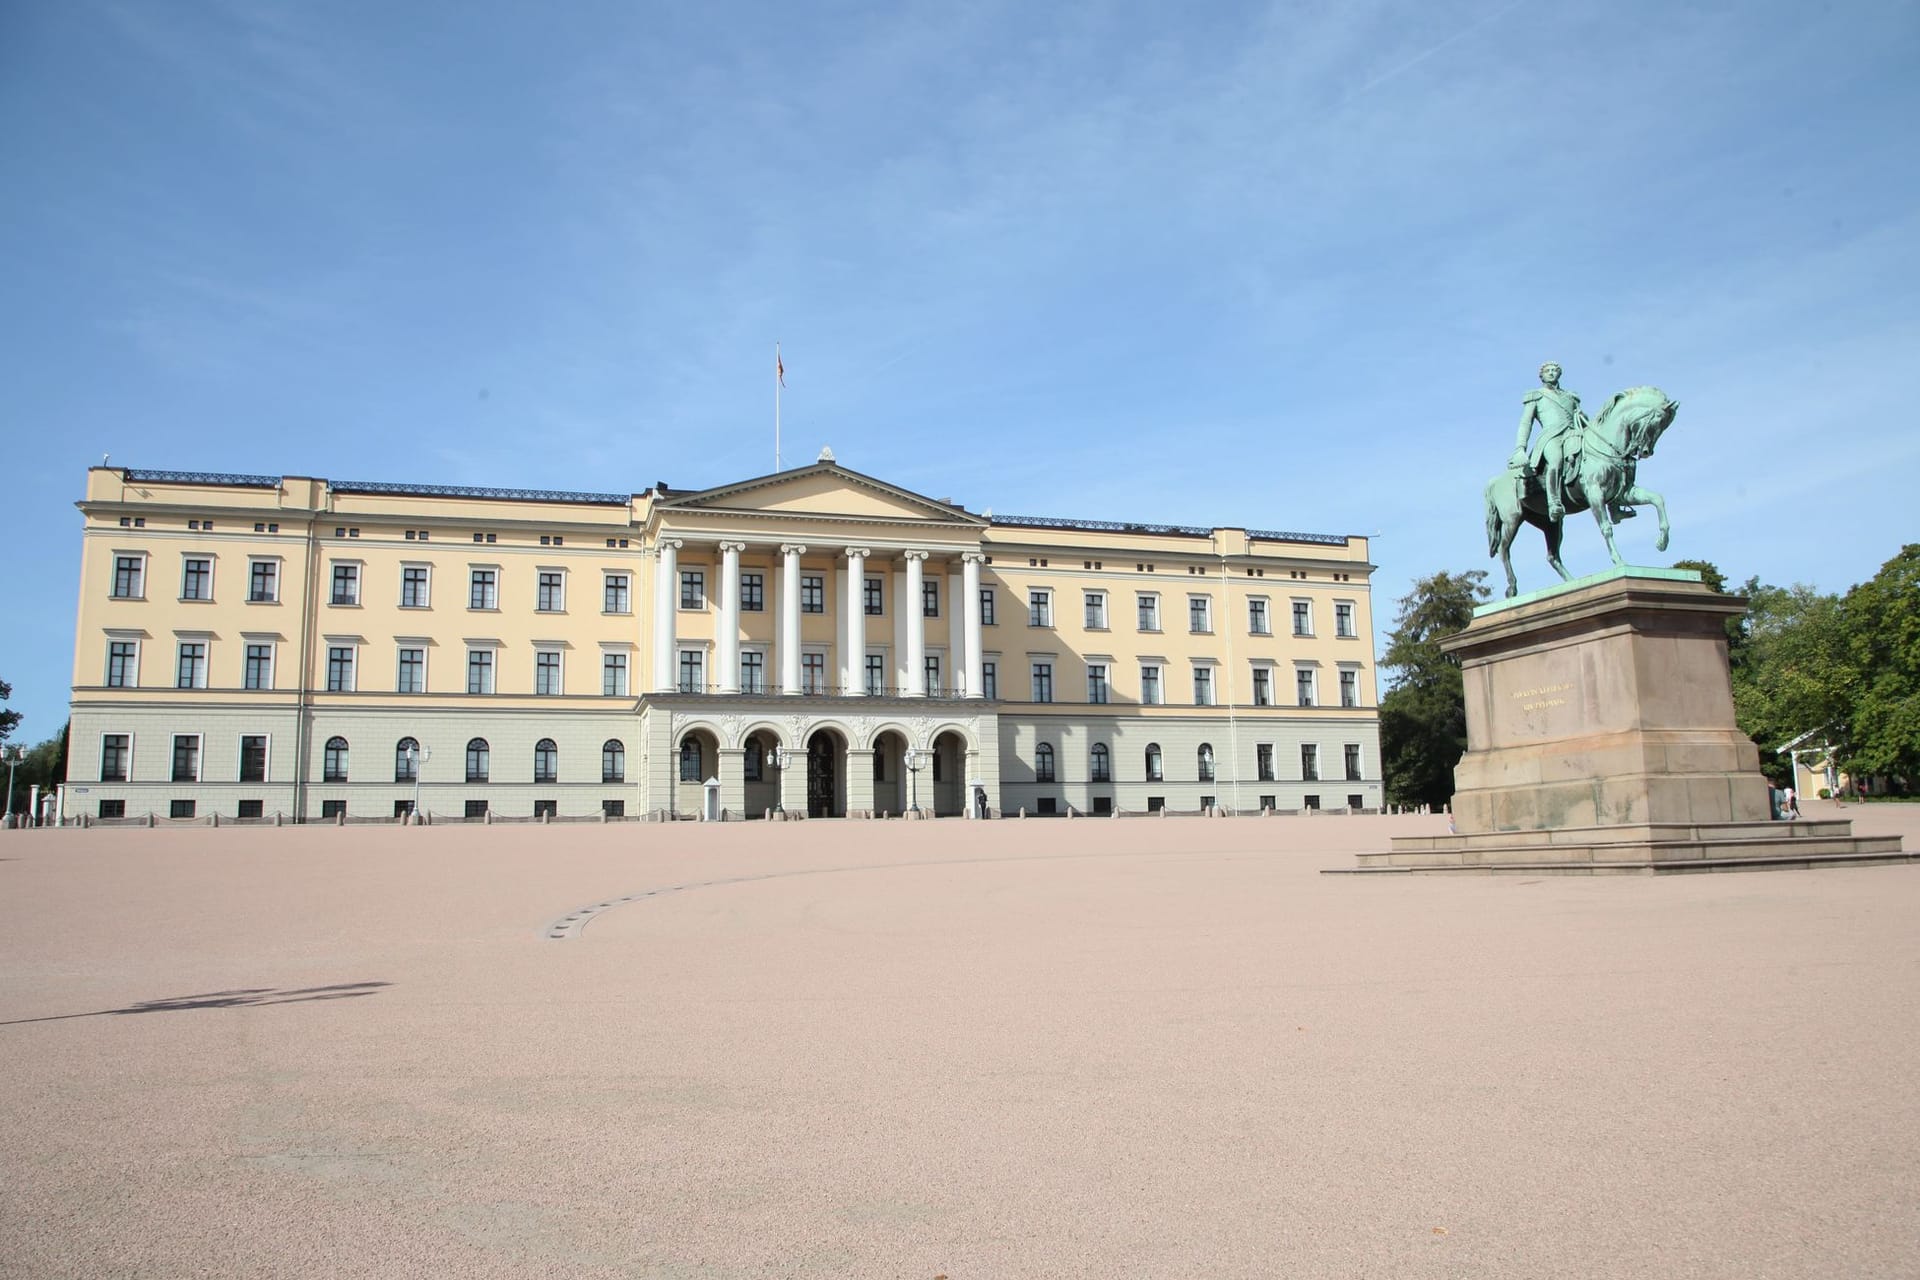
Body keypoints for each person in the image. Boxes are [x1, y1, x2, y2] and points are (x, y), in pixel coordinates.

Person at [1512, 362, 1587, 521]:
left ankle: (1613, 504)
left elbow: (1579, 418)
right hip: (1550, 436)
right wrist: (1520, 448)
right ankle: (1554, 503)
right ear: (1542, 375)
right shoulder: (1536, 395)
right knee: (1556, 461)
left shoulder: (1570, 397)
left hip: (1572, 434)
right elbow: (1526, 423)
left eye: (1554, 370)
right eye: (1548, 371)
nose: (1551, 373)